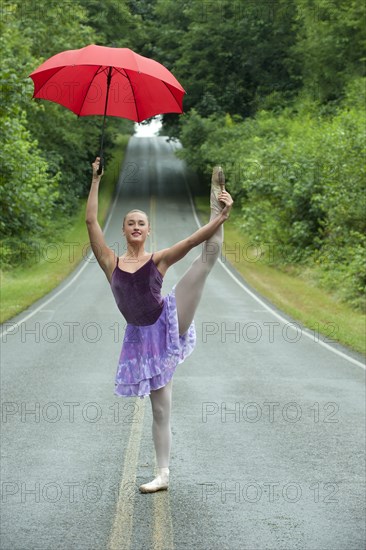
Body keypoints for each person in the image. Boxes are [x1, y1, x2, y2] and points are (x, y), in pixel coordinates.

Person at [85, 157, 233, 493]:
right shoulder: (111, 262)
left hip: (167, 320)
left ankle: (216, 199)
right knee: (161, 409)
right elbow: (91, 220)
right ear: (123, 230)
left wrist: (221, 216)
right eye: (131, 223)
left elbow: (194, 242)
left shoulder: (158, 259)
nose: (136, 227)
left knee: (206, 260)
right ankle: (163, 475)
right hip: (141, 341)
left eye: (142, 223)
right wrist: (95, 179)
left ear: (148, 231)